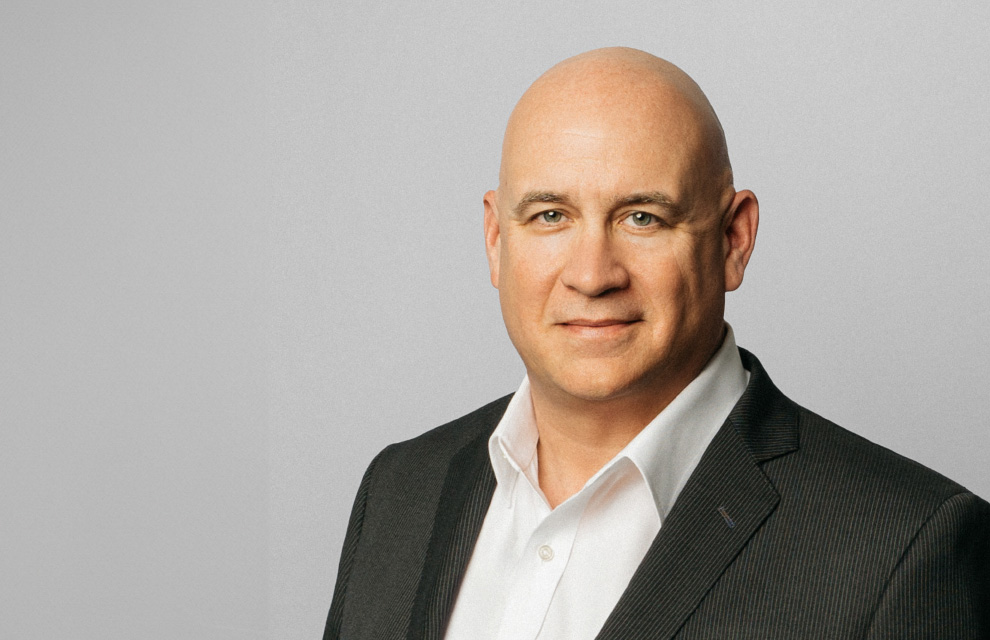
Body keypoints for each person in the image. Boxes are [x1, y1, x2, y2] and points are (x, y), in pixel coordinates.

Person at [324, 47, 989, 639]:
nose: (592, 275)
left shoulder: (906, 548)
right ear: (497, 240)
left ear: (733, 240)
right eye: (551, 215)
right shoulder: (400, 490)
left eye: (642, 217)